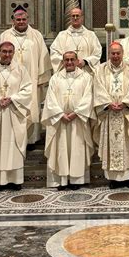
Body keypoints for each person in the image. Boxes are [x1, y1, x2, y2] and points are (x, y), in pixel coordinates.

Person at [0, 42, 32, 192]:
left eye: (10, 52)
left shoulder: (21, 70)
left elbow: (28, 90)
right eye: (4, 51)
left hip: (14, 114)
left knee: (14, 146)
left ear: (13, 53)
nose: (7, 54)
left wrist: (12, 99)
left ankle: (15, 180)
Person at [93, 42, 129, 189]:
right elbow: (98, 88)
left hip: (126, 113)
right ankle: (113, 179)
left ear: (123, 54)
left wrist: (126, 103)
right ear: (108, 54)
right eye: (113, 53)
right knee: (111, 145)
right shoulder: (100, 69)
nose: (115, 56)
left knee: (128, 144)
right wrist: (107, 104)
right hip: (109, 113)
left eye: (118, 53)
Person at [0, 10, 52, 150]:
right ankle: (13, 138)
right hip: (10, 80)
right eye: (18, 19)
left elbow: (43, 58)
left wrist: (41, 79)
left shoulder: (36, 35)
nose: (21, 22)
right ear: (13, 21)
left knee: (31, 107)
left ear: (28, 19)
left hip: (31, 79)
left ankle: (31, 140)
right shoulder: (5, 35)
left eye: (23, 19)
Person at [42, 51, 95, 190]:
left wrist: (76, 113)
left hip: (78, 121)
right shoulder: (55, 78)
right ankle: (62, 180)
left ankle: (77, 180)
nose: (69, 62)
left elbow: (88, 97)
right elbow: (50, 100)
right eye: (67, 60)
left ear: (78, 61)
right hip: (60, 121)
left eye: (72, 60)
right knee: (61, 150)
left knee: (77, 149)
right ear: (63, 62)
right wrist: (60, 114)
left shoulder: (86, 78)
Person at [50, 7, 102, 73]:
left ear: (82, 18)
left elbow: (97, 53)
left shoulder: (91, 35)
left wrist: (85, 61)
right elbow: (54, 53)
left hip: (85, 72)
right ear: (70, 18)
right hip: (67, 73)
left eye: (77, 16)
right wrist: (68, 61)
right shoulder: (62, 35)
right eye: (73, 16)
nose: (75, 18)